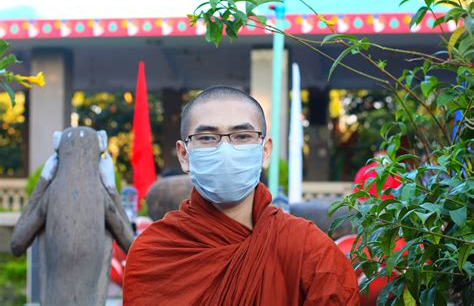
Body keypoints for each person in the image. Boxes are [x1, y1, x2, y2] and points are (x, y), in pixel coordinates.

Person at [123, 86, 359, 305]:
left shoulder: (308, 248)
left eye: (242, 136)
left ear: (265, 151)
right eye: (207, 138)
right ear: (184, 155)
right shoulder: (155, 252)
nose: (225, 150)